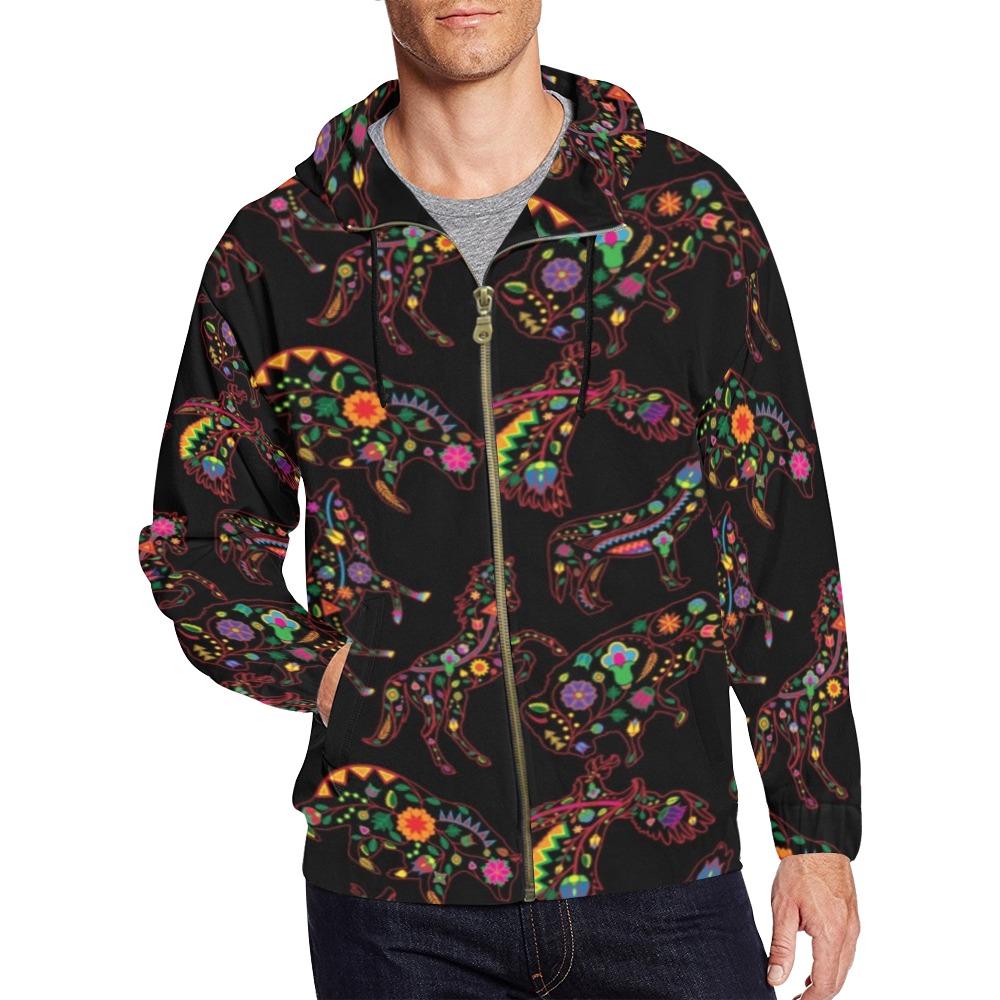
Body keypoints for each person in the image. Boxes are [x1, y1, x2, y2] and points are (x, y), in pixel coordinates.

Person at [138, 2, 861, 997]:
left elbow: (776, 522)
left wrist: (814, 828)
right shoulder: (281, 251)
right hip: (394, 899)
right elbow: (199, 541)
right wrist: (326, 673)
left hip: (662, 871)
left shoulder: (683, 216)